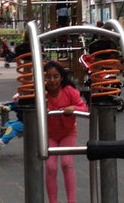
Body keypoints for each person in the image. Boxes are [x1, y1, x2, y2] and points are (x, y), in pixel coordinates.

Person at [44, 60, 88, 203]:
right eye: (48, 77)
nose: (52, 80)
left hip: (67, 133)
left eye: (55, 76)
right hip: (49, 134)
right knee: (50, 166)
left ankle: (71, 200)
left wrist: (73, 108)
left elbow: (84, 108)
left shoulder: (69, 91)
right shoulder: (41, 94)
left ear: (61, 77)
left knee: (66, 163)